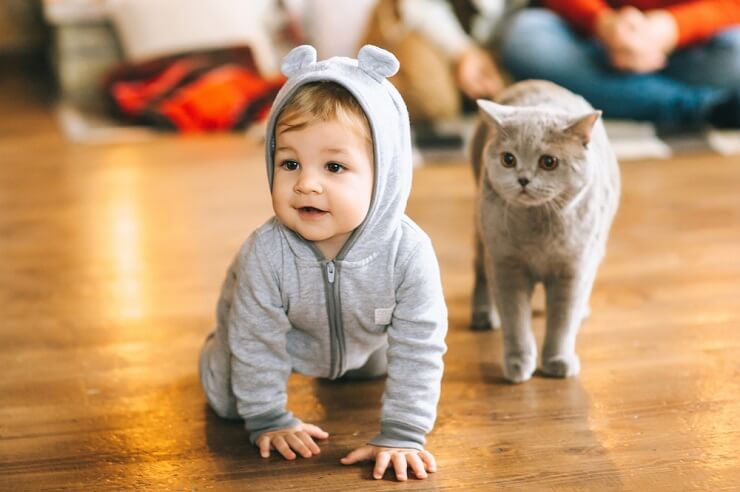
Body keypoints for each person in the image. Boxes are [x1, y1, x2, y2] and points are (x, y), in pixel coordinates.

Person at [198, 44, 448, 482]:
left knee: (385, 362)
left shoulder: (408, 252)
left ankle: (350, 362)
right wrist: (268, 418)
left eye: (334, 166)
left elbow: (421, 345)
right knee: (228, 402)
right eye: (290, 163)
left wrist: (404, 432)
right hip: (281, 338)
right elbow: (256, 339)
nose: (306, 184)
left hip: (364, 333)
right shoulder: (267, 252)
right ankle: (217, 354)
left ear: (385, 174)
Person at [501, 1, 740, 130]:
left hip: (692, 43)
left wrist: (673, 27)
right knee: (525, 38)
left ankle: (623, 95)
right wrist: (602, 23)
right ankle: (701, 106)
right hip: (595, 44)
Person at [363, 0, 528, 124]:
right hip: (415, 22)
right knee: (430, 101)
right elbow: (419, 7)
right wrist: (463, 53)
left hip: (483, 39)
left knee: (511, 99)